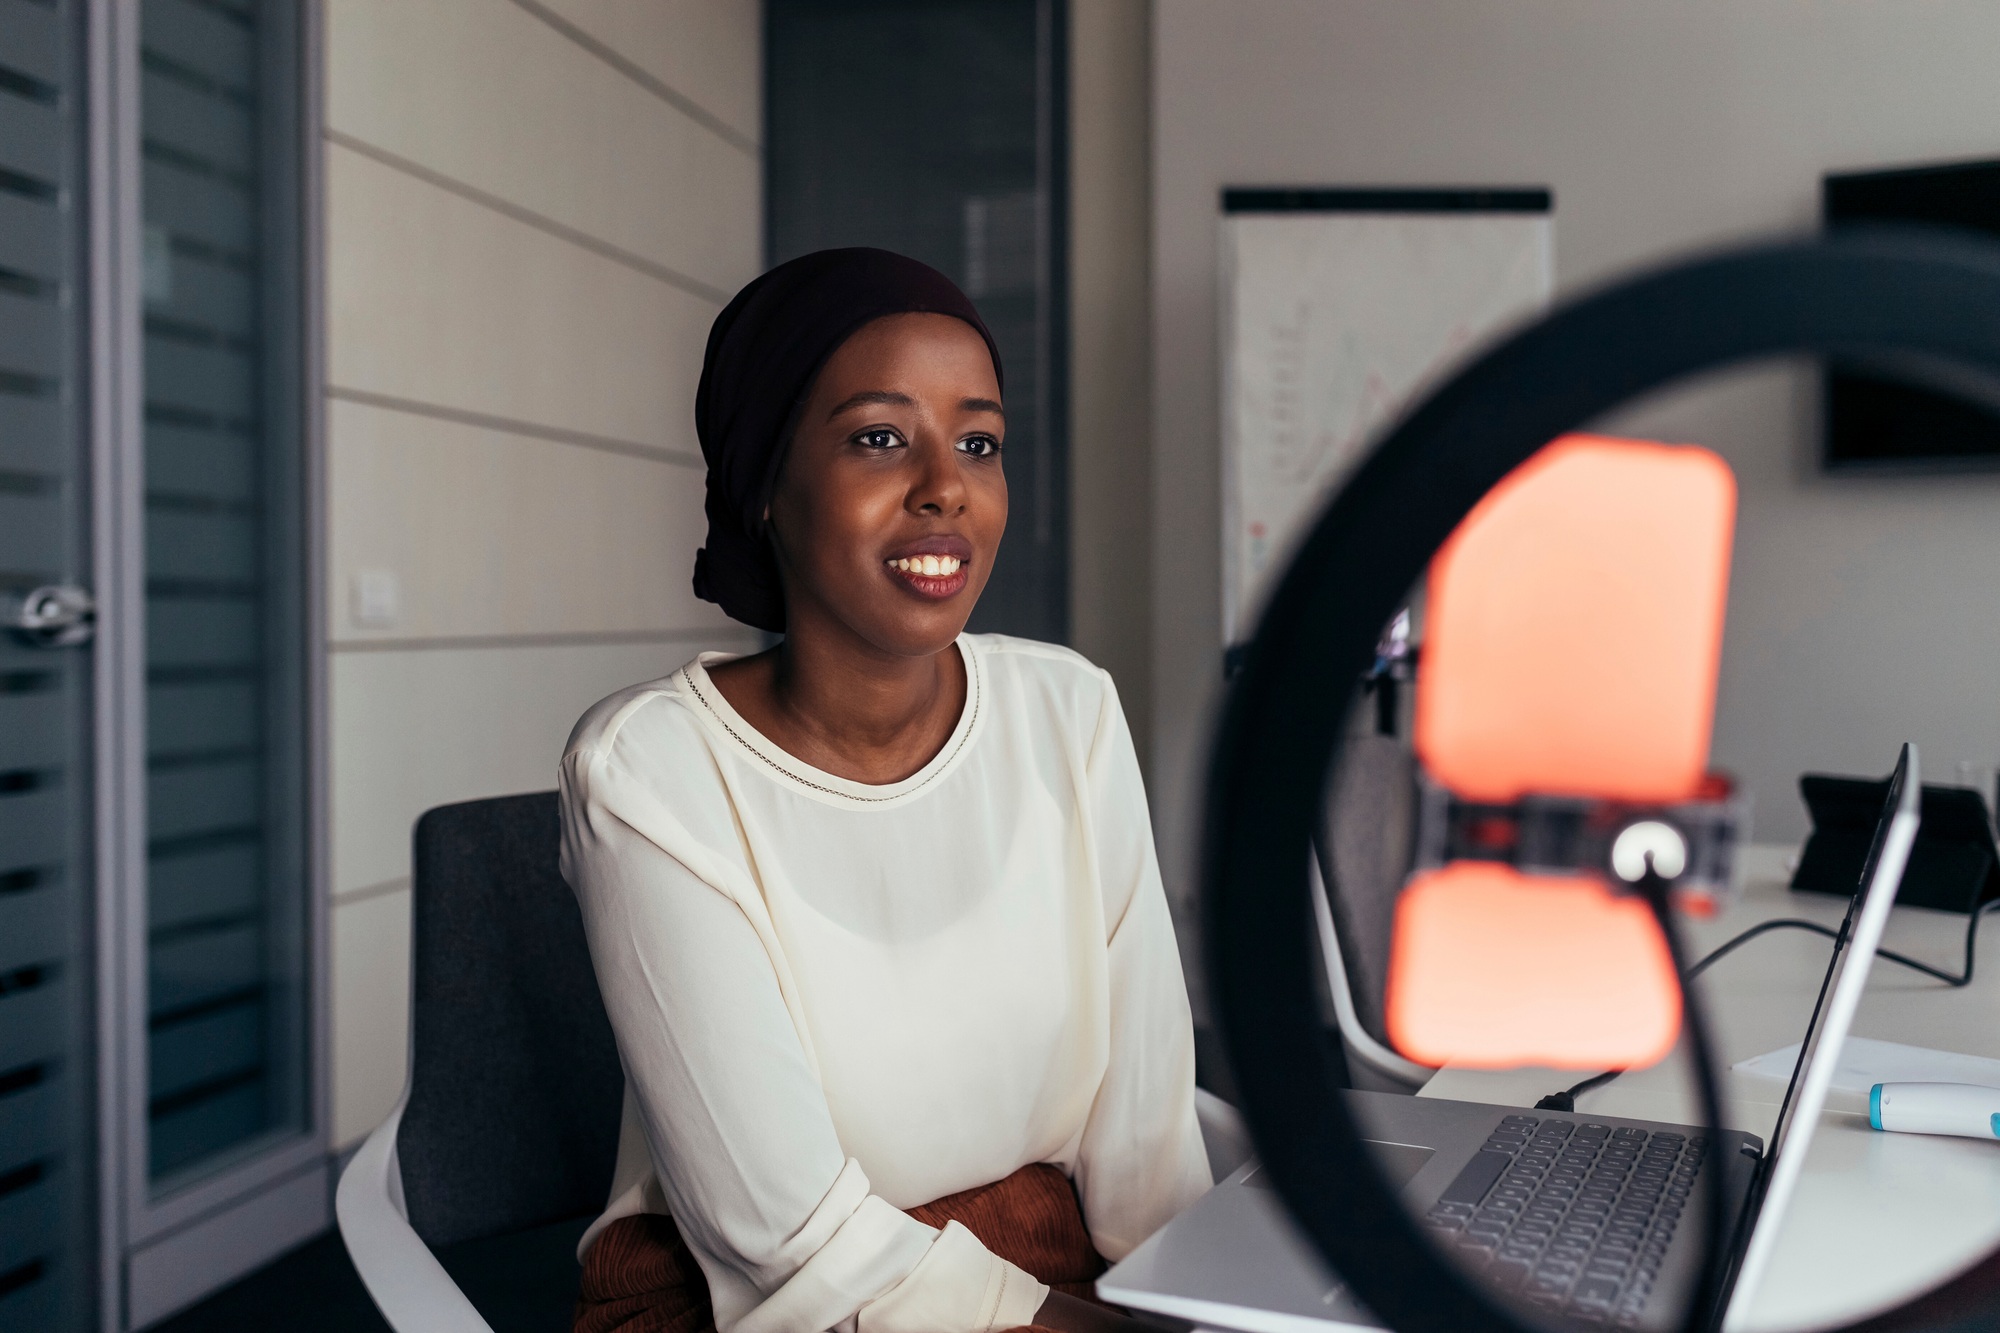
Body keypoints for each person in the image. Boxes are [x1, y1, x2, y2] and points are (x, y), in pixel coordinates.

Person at [559, 248, 1211, 1333]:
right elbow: (786, 1237)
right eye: (877, 437)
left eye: (978, 442)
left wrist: (1202, 1306)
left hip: (1042, 1264)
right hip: (762, 1300)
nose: (946, 484)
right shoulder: (651, 768)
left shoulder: (1069, 712)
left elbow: (1144, 1139)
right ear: (766, 481)